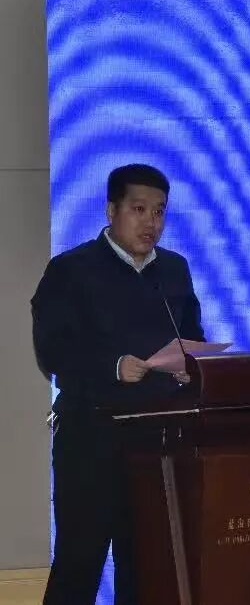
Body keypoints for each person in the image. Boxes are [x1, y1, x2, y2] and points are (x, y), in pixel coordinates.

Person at [32, 164, 205, 604]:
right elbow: (52, 350)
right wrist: (113, 366)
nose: (151, 223)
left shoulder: (174, 270)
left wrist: (190, 366)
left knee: (147, 568)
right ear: (111, 210)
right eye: (139, 209)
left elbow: (192, 337)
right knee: (79, 564)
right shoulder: (71, 270)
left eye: (160, 212)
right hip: (91, 439)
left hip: (159, 442)